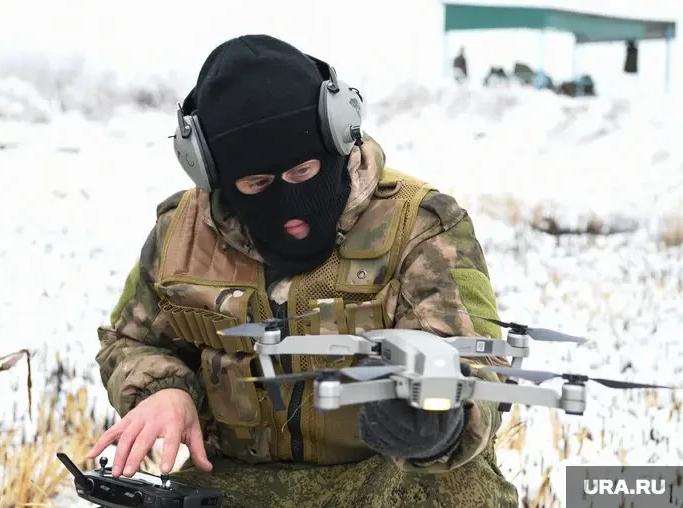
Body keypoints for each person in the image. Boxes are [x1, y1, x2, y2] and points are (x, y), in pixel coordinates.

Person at [88, 34, 518, 507]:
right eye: (257, 183)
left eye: (303, 172)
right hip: (237, 482)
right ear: (215, 177)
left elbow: (479, 367)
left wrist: (439, 421)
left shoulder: (419, 226)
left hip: (392, 478)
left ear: (337, 136)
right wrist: (163, 389)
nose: (288, 200)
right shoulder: (180, 237)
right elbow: (129, 341)